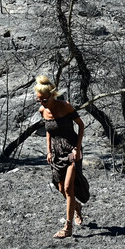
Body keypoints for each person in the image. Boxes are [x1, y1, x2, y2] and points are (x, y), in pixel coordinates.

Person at [34, 75, 87, 238]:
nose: (41, 103)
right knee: (59, 188)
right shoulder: (43, 110)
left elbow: (81, 125)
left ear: (52, 95)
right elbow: (49, 131)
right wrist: (49, 151)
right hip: (56, 153)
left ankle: (68, 227)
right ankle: (76, 207)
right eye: (39, 100)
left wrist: (77, 149)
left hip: (71, 150)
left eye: (44, 99)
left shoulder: (65, 106)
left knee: (67, 188)